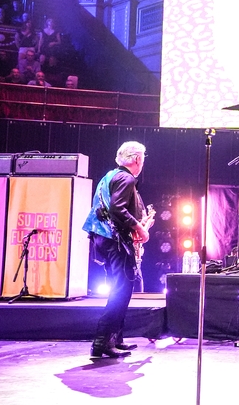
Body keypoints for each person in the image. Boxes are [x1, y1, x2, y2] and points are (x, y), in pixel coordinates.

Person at [82, 141, 152, 358]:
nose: (143, 161)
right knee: (121, 291)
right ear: (137, 159)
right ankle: (101, 342)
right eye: (143, 157)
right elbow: (117, 208)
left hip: (102, 239)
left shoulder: (110, 175)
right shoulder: (126, 178)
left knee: (120, 288)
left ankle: (115, 338)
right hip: (114, 241)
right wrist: (139, 226)